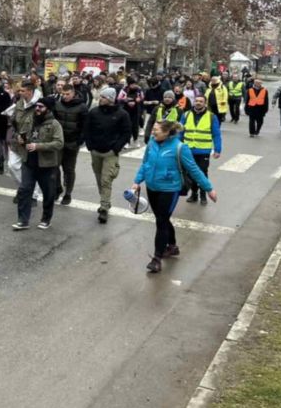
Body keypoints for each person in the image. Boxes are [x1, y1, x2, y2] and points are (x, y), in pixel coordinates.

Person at [131, 120, 217, 273]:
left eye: (156, 130)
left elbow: (193, 169)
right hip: (152, 187)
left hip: (170, 189)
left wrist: (208, 188)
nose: (152, 132)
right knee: (161, 218)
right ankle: (172, 246)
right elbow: (145, 164)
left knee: (161, 221)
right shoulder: (151, 143)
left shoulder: (179, 147)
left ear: (167, 132)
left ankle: (156, 258)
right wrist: (137, 181)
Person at [13, 97, 64, 230]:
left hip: (46, 164)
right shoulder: (30, 120)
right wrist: (20, 138)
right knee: (24, 190)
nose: (37, 109)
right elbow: (21, 132)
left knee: (48, 193)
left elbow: (59, 143)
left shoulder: (54, 124)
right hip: (29, 161)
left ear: (48, 109)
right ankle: (23, 220)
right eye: (36, 106)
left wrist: (38, 146)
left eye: (41, 107)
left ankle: (46, 219)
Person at [83, 87, 132, 224]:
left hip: (110, 153)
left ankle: (104, 207)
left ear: (110, 99)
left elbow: (126, 133)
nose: (100, 99)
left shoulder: (122, 114)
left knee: (106, 180)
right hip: (96, 152)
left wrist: (116, 148)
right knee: (99, 179)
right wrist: (90, 146)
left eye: (103, 97)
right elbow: (87, 129)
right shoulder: (93, 112)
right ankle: (105, 201)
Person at [180, 94, 222, 205]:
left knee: (202, 172)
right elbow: (180, 132)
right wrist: (177, 146)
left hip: (203, 150)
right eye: (196, 101)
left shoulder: (211, 116)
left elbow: (216, 134)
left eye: (201, 101)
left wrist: (217, 149)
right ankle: (194, 194)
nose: (198, 103)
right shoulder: (186, 115)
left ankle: (203, 194)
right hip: (188, 150)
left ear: (205, 103)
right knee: (190, 173)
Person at [54, 84, 87, 205]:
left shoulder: (82, 107)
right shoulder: (57, 104)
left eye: (67, 94)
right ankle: (57, 188)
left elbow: (85, 126)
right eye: (63, 94)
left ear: (73, 93)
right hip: (58, 141)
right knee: (54, 166)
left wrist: (79, 141)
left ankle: (68, 193)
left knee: (69, 169)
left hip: (73, 142)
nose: (65, 96)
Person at [117, 78, 144, 147]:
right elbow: (119, 98)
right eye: (132, 84)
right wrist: (125, 100)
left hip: (136, 110)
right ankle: (127, 142)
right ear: (129, 84)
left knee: (135, 126)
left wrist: (139, 100)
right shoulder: (124, 90)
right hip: (126, 109)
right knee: (127, 125)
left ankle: (135, 140)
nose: (134, 85)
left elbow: (142, 97)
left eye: (135, 84)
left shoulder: (139, 90)